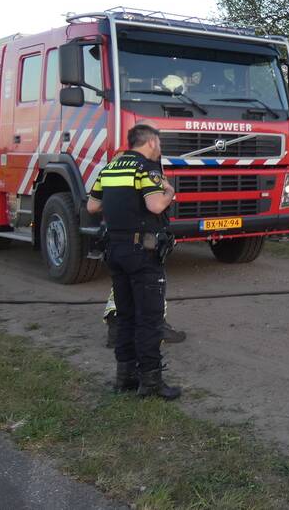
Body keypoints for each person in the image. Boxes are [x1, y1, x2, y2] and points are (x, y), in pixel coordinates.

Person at [87, 124, 181, 400]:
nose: (159, 148)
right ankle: (151, 383)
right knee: (150, 319)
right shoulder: (145, 169)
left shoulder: (111, 168)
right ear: (151, 142)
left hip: (115, 250)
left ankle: (124, 378)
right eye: (159, 143)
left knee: (126, 316)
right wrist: (170, 192)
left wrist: (121, 204)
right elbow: (155, 206)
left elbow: (92, 206)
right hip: (142, 252)